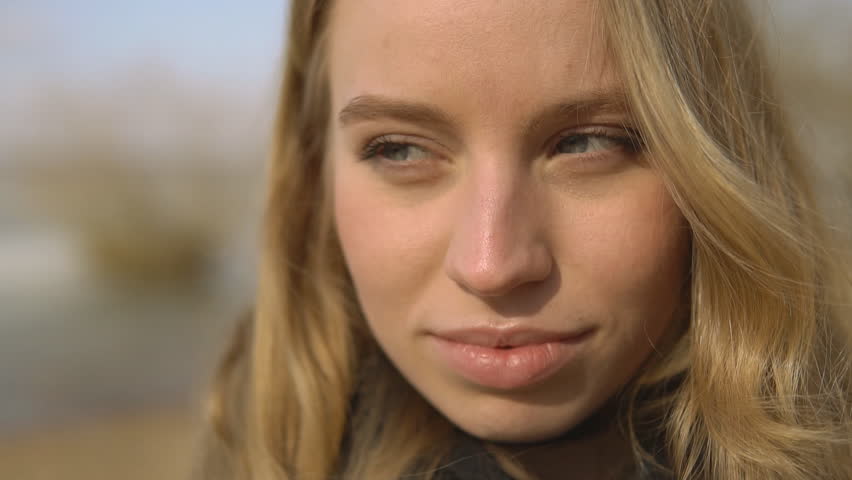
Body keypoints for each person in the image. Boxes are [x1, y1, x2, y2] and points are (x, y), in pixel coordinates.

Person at [195, 0, 852, 478]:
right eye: (400, 150)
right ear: (317, 172)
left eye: (587, 142)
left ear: (719, 158)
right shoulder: (258, 436)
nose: (492, 265)